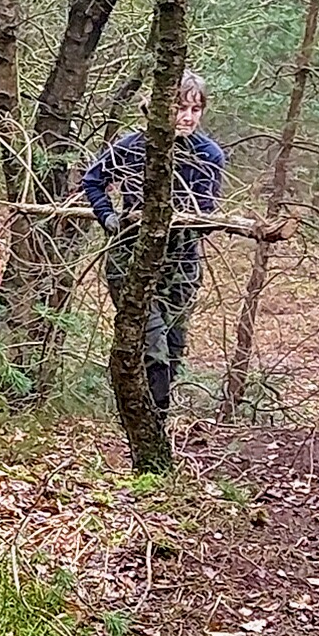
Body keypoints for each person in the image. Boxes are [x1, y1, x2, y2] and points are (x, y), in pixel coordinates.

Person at [81, 68, 230, 423]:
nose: (187, 117)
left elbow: (208, 210)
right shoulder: (133, 145)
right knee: (152, 348)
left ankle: (146, 417)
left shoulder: (209, 154)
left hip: (181, 265)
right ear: (162, 108)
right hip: (130, 260)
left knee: (174, 349)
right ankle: (151, 430)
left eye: (195, 110)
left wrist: (185, 222)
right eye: (180, 108)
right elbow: (93, 180)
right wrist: (110, 218)